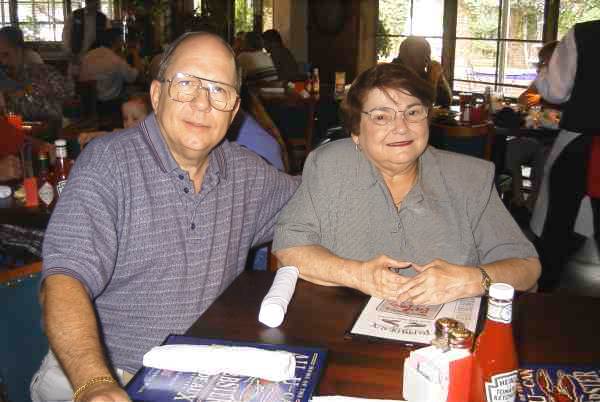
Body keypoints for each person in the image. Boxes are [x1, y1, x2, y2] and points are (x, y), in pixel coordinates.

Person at [30, 31, 299, 402]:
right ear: (156, 95)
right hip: (103, 374)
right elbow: (63, 281)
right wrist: (96, 384)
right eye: (187, 83)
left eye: (219, 90)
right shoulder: (109, 163)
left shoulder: (246, 173)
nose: (203, 103)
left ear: (234, 110)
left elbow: (314, 200)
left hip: (198, 379)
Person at [273, 62, 540, 305]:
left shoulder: (469, 178)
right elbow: (289, 245)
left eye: (412, 112)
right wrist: (358, 275)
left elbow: (527, 268)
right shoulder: (329, 165)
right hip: (344, 331)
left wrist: (469, 280)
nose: (401, 127)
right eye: (381, 116)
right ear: (356, 131)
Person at [531, 20, 600, 291]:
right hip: (583, 143)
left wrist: (545, 69)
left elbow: (555, 91)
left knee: (556, 228)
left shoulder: (585, 34)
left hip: (582, 143)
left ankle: (542, 304)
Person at [0, 27, 73, 124]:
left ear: (19, 50)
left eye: (6, 55)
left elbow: (68, 97)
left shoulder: (45, 73)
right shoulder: (3, 77)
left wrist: (25, 93)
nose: (2, 62)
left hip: (46, 132)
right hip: (11, 131)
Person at [79, 28, 142, 111]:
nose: (123, 42)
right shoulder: (115, 60)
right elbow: (134, 77)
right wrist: (135, 53)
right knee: (137, 93)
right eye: (121, 39)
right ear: (116, 41)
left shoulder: (88, 55)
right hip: (108, 105)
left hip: (86, 105)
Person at [392, 36, 452, 108]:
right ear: (407, 56)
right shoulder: (393, 74)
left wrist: (440, 78)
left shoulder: (419, 73)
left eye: (428, 55)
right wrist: (433, 79)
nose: (427, 60)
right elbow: (422, 104)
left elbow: (445, 102)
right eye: (423, 55)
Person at [78, 94, 152, 147]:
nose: (129, 123)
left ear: (151, 119)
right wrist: (91, 136)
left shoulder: (151, 139)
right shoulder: (125, 133)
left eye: (135, 119)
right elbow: (108, 135)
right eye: (125, 119)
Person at [517, 41, 560, 108]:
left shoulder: (569, 79)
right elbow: (522, 99)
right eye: (539, 62)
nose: (538, 67)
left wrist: (541, 99)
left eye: (543, 62)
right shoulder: (544, 77)